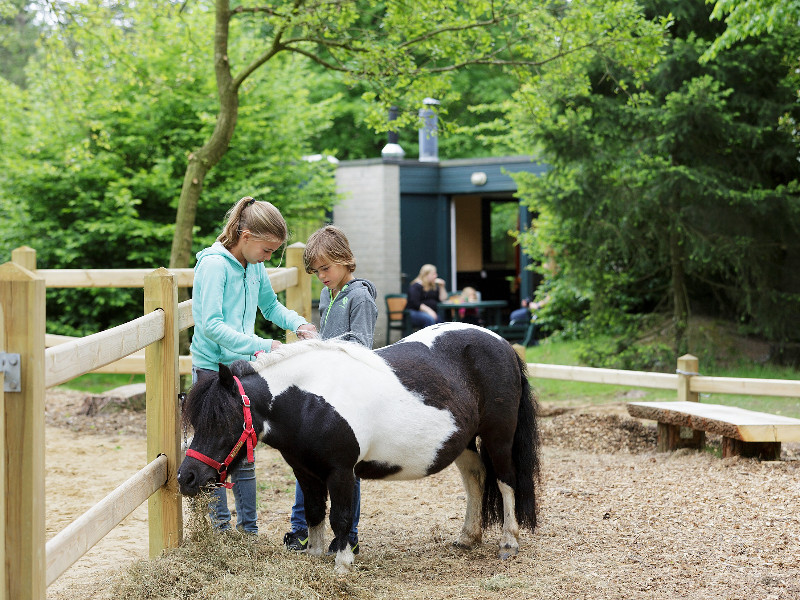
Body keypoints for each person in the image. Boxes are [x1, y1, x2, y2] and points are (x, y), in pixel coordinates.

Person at [190, 195, 317, 534]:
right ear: (245, 236)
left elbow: (270, 307)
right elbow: (211, 326)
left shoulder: (254, 266)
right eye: (266, 249)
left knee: (244, 452)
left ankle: (248, 532)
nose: (268, 257)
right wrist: (264, 345)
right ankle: (220, 529)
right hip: (212, 370)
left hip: (242, 370)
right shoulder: (215, 265)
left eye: (273, 252)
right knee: (215, 451)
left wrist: (298, 324)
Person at [283, 225, 378, 556]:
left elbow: (361, 345)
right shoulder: (326, 295)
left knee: (346, 466)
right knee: (305, 460)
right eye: (316, 270)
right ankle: (303, 528)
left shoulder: (361, 297)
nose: (321, 276)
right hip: (325, 390)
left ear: (344, 260)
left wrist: (322, 346)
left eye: (326, 268)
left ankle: (348, 532)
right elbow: (330, 338)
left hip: (350, 392)